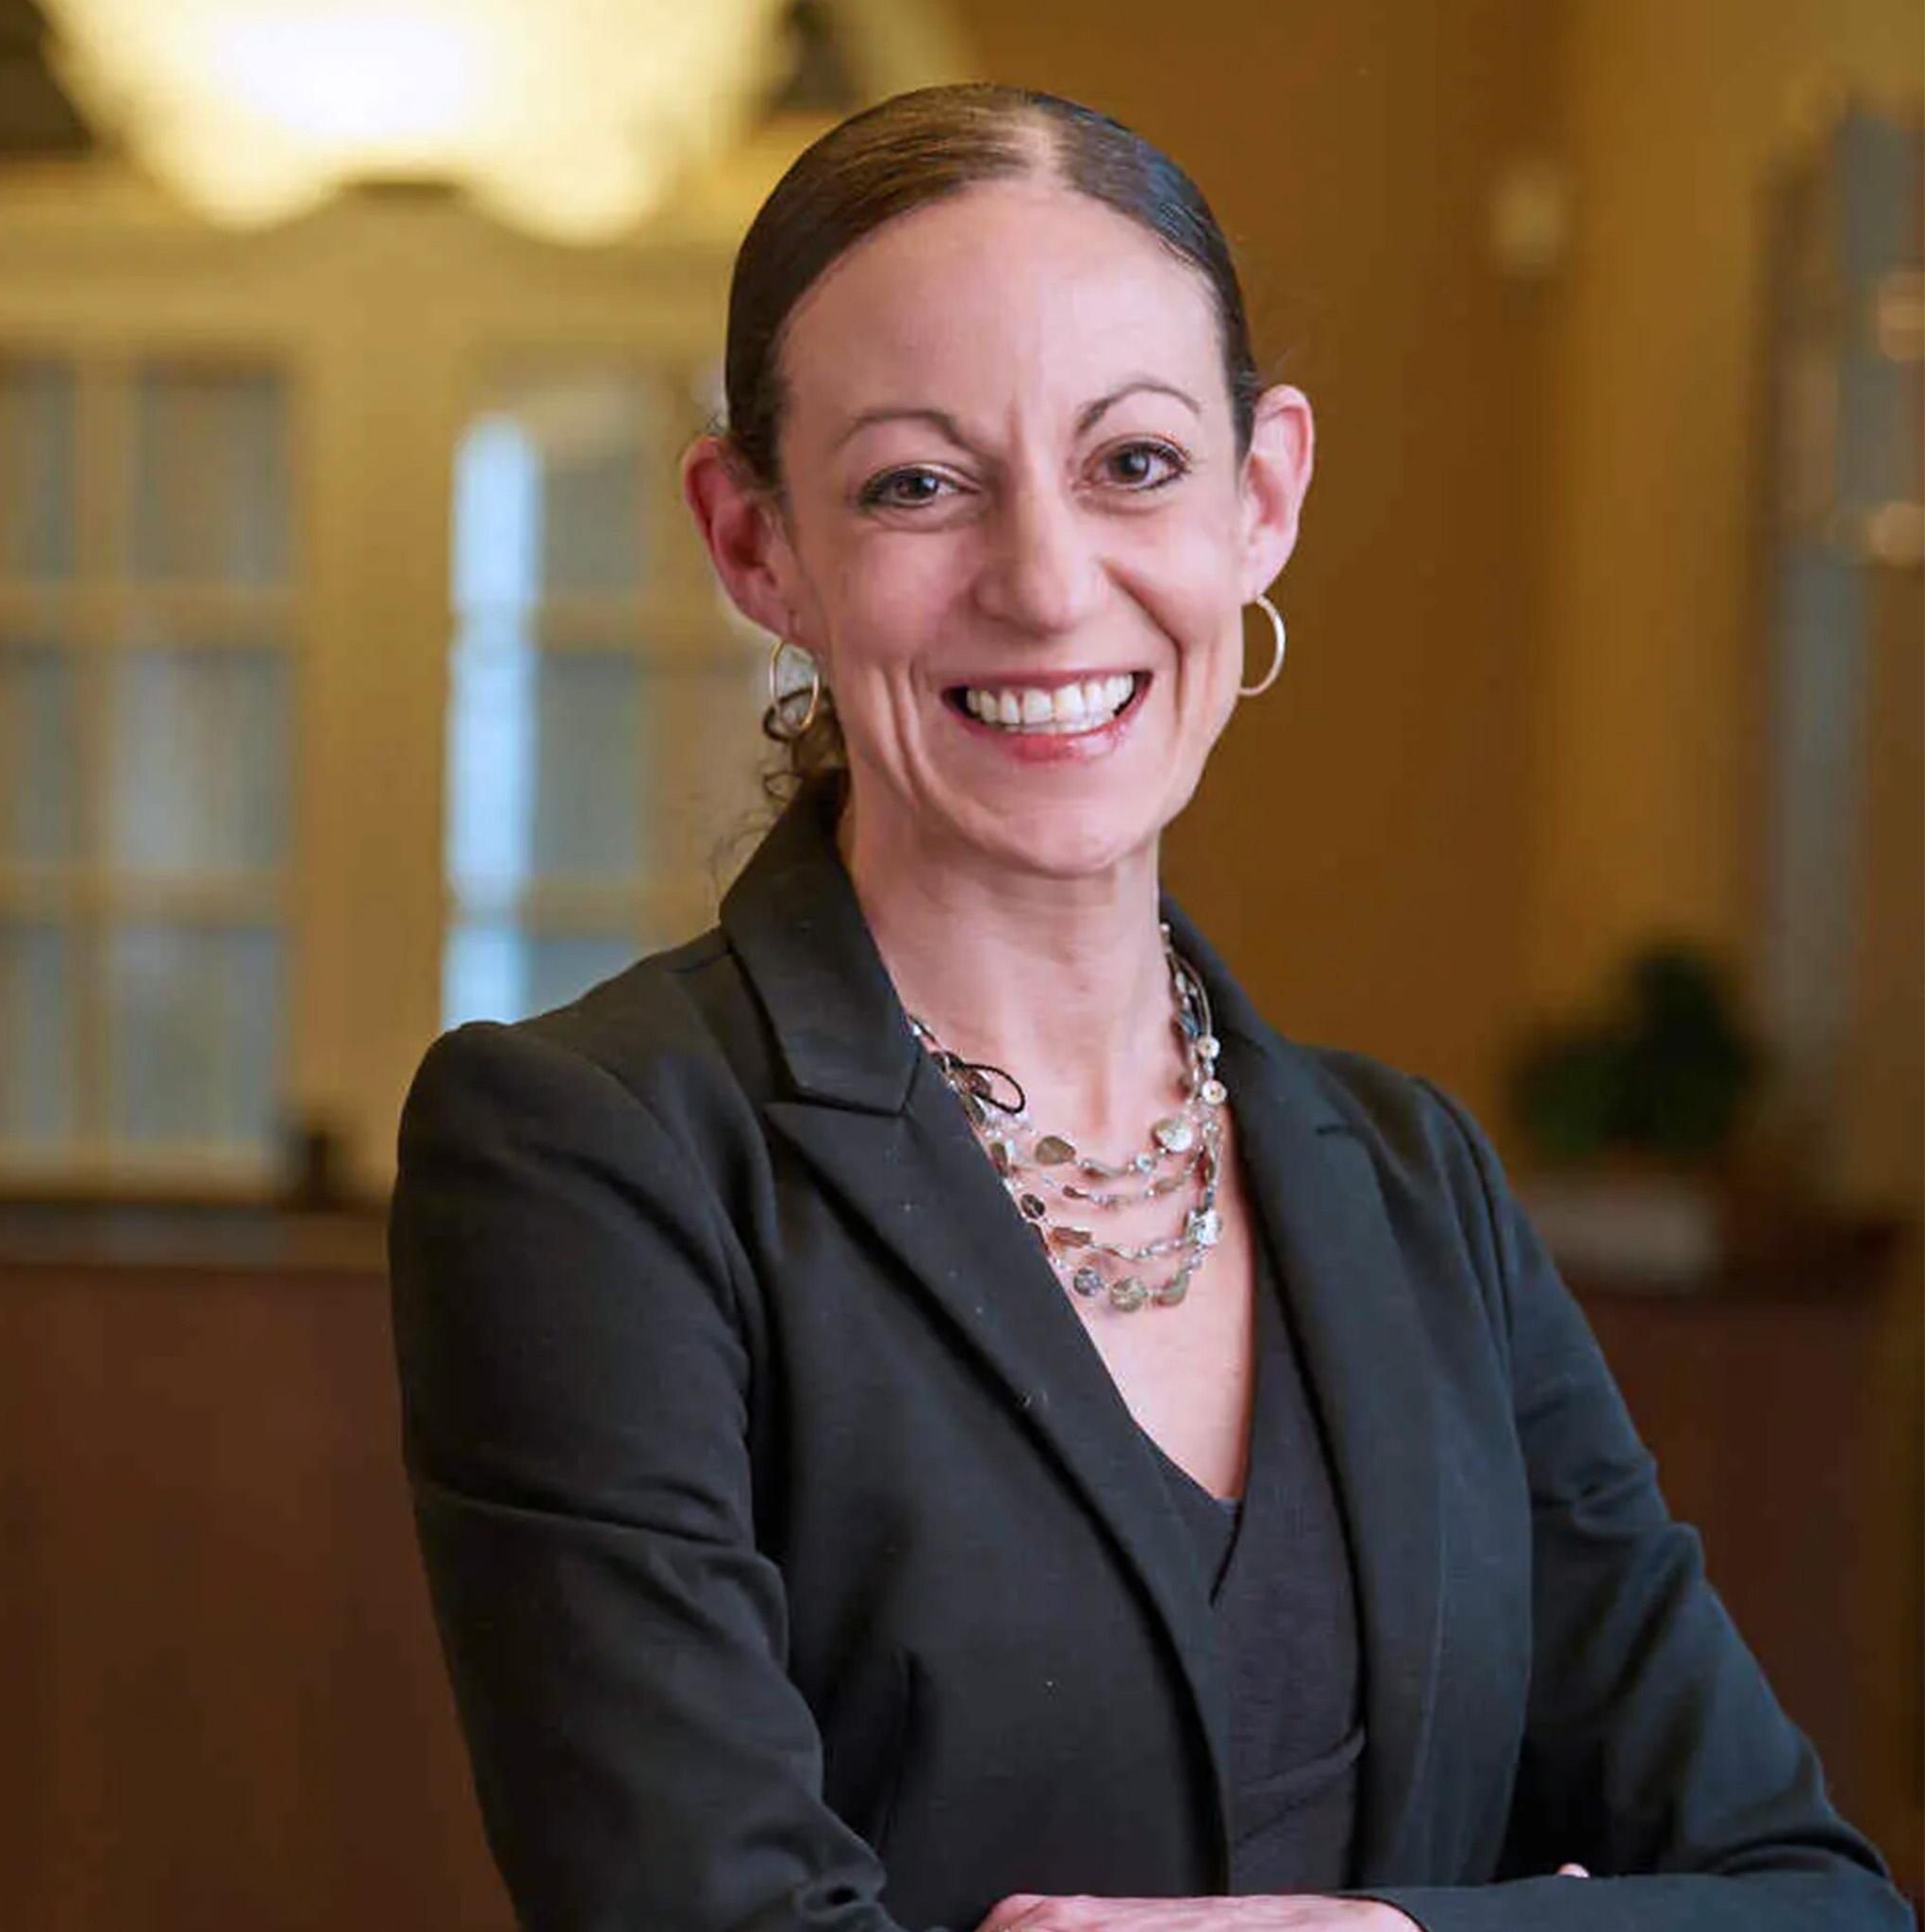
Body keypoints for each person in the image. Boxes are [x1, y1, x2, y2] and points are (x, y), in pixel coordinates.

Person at [388, 85, 1910, 1932]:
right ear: (755, 542)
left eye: (1132, 463)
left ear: (1261, 495)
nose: (1044, 583)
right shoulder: (590, 1164)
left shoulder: (1418, 1183)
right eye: (917, 484)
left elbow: (1810, 1899)